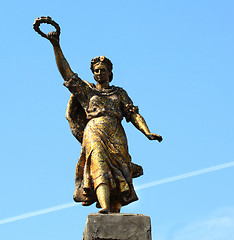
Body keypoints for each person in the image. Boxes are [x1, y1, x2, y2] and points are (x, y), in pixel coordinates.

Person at [46, 30, 162, 214]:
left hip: (116, 133)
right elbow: (66, 74)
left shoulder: (119, 92)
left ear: (110, 72)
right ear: (92, 73)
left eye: (103, 70)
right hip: (94, 132)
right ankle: (105, 207)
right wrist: (56, 45)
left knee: (119, 172)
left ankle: (114, 207)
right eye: (96, 70)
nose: (99, 73)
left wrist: (147, 132)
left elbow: (132, 114)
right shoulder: (87, 91)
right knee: (98, 164)